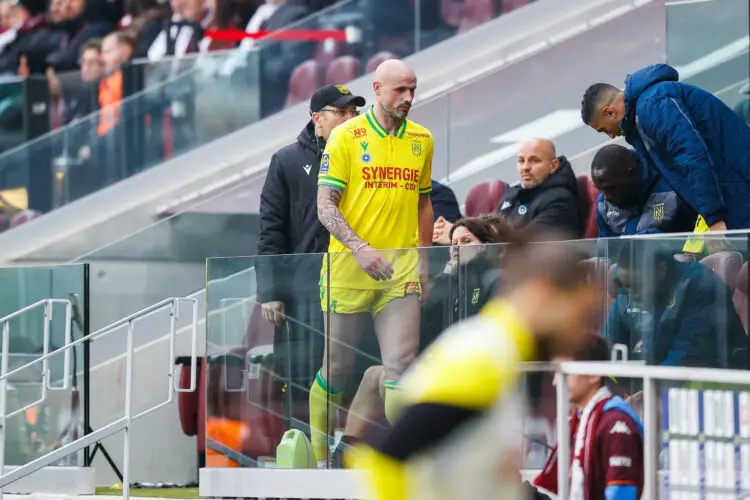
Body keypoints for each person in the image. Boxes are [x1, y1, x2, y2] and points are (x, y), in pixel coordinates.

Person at [350, 227, 601, 500]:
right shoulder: (484, 356)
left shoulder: (496, 353)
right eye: (580, 316)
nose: (579, 331)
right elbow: (385, 460)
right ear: (542, 293)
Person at [311, 59, 434, 466]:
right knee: (338, 366)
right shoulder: (346, 137)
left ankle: (408, 465)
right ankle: (318, 463)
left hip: (399, 272)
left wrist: (424, 258)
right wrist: (359, 247)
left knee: (400, 364)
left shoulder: (422, 139)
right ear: (378, 89)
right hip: (348, 269)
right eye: (400, 90)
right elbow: (325, 207)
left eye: (413, 90)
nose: (408, 98)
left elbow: (423, 201)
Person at [333, 214, 508, 458]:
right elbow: (426, 318)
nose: (456, 250)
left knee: (387, 381)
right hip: (444, 370)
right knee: (373, 374)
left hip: (473, 378)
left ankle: (409, 453)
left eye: (466, 242)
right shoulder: (454, 280)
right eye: (453, 244)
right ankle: (345, 455)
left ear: (486, 247)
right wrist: (448, 273)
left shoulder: (494, 280)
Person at [257, 84, 365, 424]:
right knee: (301, 372)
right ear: (317, 118)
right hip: (304, 285)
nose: (350, 119)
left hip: (355, 280)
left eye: (354, 113)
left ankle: (349, 450)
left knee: (353, 368)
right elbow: (270, 229)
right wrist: (272, 293)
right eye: (342, 112)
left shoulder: (366, 154)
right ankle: (302, 451)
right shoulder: (288, 160)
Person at [581, 64, 750, 231]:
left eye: (603, 129)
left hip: (740, 188)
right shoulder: (644, 111)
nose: (610, 136)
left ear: (610, 112)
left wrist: (714, 217)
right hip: (734, 190)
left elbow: (692, 157)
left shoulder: (652, 106)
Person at [533, 334, 644, 500]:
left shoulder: (616, 422)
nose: (555, 381)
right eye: (555, 373)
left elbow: (622, 493)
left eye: (564, 372)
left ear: (593, 374)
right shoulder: (581, 419)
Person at [605, 244, 747, 369]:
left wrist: (651, 388)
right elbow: (609, 343)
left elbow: (689, 356)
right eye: (627, 286)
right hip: (656, 376)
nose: (632, 294)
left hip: (715, 380)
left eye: (639, 285)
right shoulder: (628, 281)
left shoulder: (699, 285)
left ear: (661, 270)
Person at [433, 138, 581, 244]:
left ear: (553, 165)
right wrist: (458, 231)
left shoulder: (561, 200)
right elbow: (489, 225)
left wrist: (461, 235)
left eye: (535, 160)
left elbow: (524, 243)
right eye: (521, 161)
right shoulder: (514, 193)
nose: (525, 167)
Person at [591, 144, 696, 237]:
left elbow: (698, 235)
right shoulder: (603, 206)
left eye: (611, 188)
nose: (607, 197)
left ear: (630, 174)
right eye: (601, 190)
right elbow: (607, 252)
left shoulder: (672, 188)